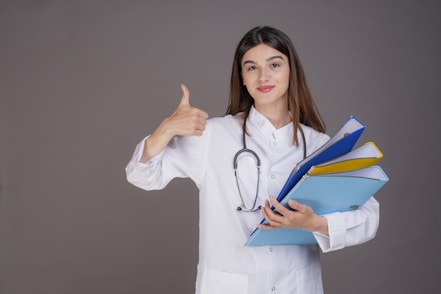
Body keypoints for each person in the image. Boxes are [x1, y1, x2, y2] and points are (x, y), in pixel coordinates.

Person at [125, 26, 379, 294]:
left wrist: (314, 224)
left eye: (274, 64)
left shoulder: (319, 145)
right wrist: (166, 128)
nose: (263, 76)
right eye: (251, 67)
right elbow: (141, 175)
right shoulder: (214, 135)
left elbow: (369, 217)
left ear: (291, 71)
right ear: (242, 78)